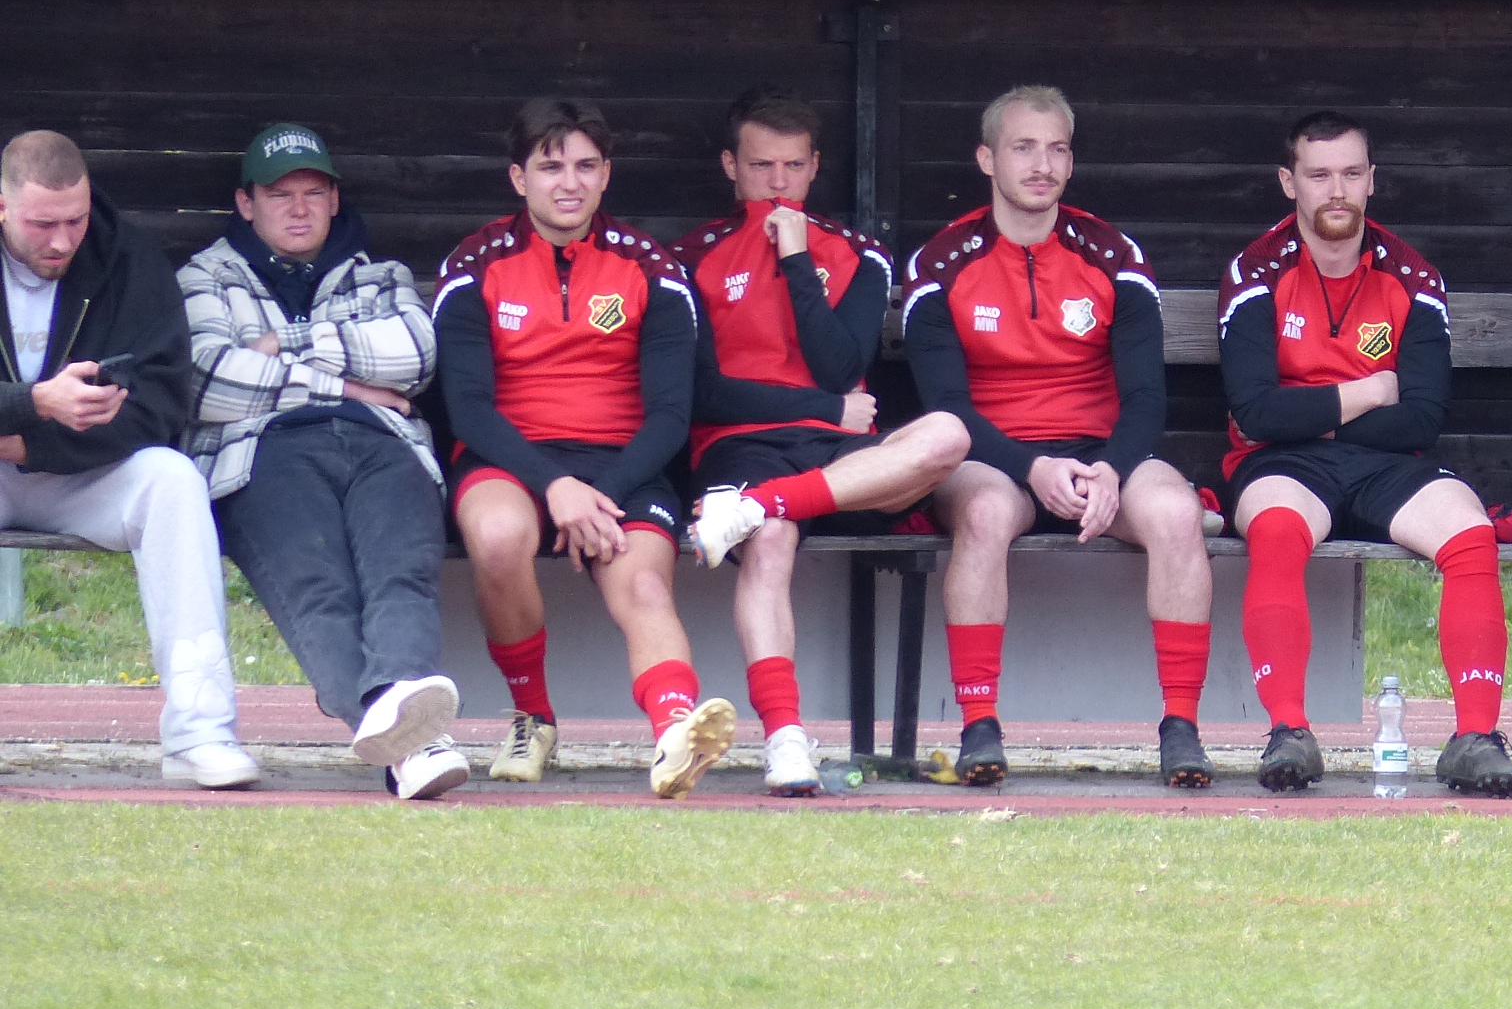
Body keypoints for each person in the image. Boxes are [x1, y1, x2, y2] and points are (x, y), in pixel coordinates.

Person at [901, 86, 1214, 788]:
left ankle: (1181, 727)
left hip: (1101, 454)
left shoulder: (1113, 253)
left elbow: (1146, 398)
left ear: (1071, 162)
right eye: (1023, 148)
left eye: (1057, 149)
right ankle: (979, 725)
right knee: (984, 514)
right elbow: (948, 409)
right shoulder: (941, 263)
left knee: (1176, 511)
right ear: (987, 159)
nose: (1042, 165)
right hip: (991, 458)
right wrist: (1031, 466)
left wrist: (1111, 469)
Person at [1218, 112, 1512, 798]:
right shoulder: (1255, 271)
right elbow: (1255, 413)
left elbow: (1421, 417)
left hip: (1387, 463)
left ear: (1372, 181)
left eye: (1351, 174)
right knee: (1276, 528)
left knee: (1470, 533)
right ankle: (1289, 732)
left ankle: (1475, 738)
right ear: (1288, 182)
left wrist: (1312, 418)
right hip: (1283, 467)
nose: (1337, 190)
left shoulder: (1413, 276)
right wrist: (1367, 392)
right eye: (1319, 175)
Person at [434, 98, 735, 799]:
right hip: (510, 459)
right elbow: (469, 409)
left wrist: (602, 493)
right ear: (519, 178)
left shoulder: (652, 268)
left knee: (646, 583)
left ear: (606, 175)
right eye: (550, 167)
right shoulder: (474, 264)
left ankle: (675, 734)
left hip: (623, 465)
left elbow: (672, 415)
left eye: (585, 166)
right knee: (499, 537)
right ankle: (532, 717)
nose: (568, 183)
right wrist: (555, 486)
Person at [676, 89, 968, 795]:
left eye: (793, 167)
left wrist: (798, 261)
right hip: (743, 444)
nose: (778, 184)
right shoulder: (691, 256)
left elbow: (841, 363)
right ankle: (784, 738)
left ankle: (758, 505)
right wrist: (826, 407)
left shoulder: (859, 255)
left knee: (947, 435)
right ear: (731, 166)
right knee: (771, 541)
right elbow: (703, 393)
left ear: (814, 167)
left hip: (835, 460)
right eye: (761, 166)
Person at [182, 124, 465, 800]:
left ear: (335, 200)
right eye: (281, 195)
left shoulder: (381, 275)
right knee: (320, 594)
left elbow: (417, 356)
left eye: (314, 192)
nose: (299, 208)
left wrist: (288, 344)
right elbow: (208, 381)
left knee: (401, 578)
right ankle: (415, 744)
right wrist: (350, 384)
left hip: (383, 443)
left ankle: (399, 733)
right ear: (246, 202)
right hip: (264, 450)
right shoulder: (204, 277)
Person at [0, 131, 260, 789]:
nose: (62, 241)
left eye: (75, 220)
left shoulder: (128, 258)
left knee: (173, 481)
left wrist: (27, 440)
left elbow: (161, 408)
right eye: (42, 225)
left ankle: (200, 733)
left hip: (82, 472)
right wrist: (36, 402)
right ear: (2, 207)